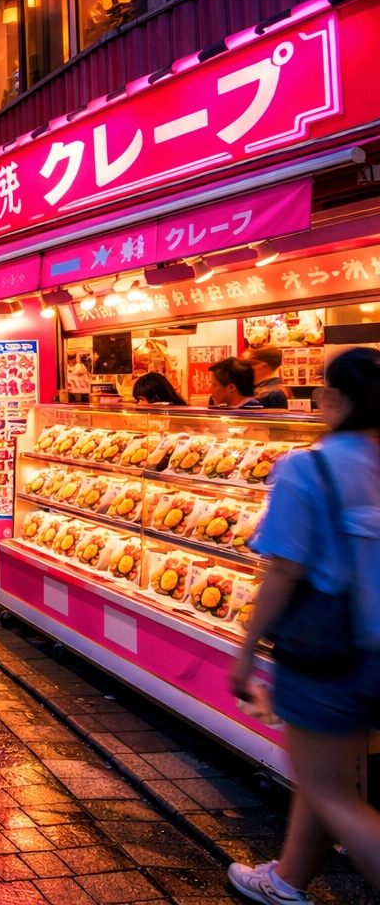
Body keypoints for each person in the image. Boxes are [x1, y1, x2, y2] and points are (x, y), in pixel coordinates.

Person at [228, 348, 380, 904]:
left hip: (328, 653)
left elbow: (283, 570)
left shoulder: (307, 466)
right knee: (326, 778)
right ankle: (288, 881)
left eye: (321, 388)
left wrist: (246, 650)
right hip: (373, 647)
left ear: (334, 399)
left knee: (334, 791)